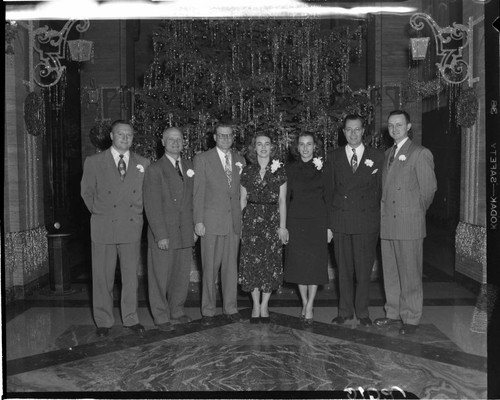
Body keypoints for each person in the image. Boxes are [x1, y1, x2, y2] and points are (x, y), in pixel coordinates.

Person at [81, 120, 150, 337]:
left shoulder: (143, 163)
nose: (125, 138)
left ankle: (130, 318)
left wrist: (137, 213)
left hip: (131, 226)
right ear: (111, 136)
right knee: (102, 276)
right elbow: (87, 192)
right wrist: (101, 213)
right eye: (121, 134)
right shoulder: (94, 162)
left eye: (129, 134)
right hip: (104, 226)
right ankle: (103, 321)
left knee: (130, 277)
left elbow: (147, 194)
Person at [374, 110, 437, 335]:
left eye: (399, 125)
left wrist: (414, 212)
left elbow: (428, 190)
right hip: (388, 225)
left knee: (410, 274)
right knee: (390, 273)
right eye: (391, 125)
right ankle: (393, 314)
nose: (394, 129)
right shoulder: (387, 153)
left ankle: (410, 319)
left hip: (409, 224)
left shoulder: (420, 153)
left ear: (409, 126)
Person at [327, 115, 384, 327]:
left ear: (363, 131)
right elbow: (329, 191)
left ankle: (362, 312)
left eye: (357, 129)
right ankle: (344, 311)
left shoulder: (377, 157)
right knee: (343, 270)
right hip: (341, 221)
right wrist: (329, 225)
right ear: (343, 132)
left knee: (363, 270)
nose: (353, 134)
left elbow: (380, 192)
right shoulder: (333, 157)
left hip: (366, 222)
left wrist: (374, 218)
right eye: (349, 130)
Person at [143, 127, 197, 332]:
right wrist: (160, 235)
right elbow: (152, 205)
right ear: (163, 142)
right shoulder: (155, 169)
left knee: (181, 274)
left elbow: (193, 200)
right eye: (171, 139)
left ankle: (177, 310)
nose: (176, 143)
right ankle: (160, 315)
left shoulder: (190, 166)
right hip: (165, 232)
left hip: (185, 231)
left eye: (179, 139)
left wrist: (193, 227)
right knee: (160, 276)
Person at [193, 122, 246, 325]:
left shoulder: (240, 160)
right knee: (209, 269)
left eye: (229, 135)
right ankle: (208, 310)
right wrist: (198, 221)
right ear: (214, 137)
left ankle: (230, 307)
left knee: (231, 269)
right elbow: (198, 192)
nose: (225, 138)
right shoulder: (202, 159)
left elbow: (241, 194)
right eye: (221, 135)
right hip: (211, 223)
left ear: (233, 137)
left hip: (233, 223)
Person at [284, 132, 333, 325]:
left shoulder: (324, 168)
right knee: (299, 266)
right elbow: (285, 199)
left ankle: (310, 305)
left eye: (309, 144)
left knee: (314, 266)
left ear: (315, 147)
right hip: (296, 222)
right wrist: (284, 226)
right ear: (297, 148)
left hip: (317, 222)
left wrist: (330, 227)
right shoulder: (290, 168)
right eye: (302, 144)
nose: (305, 148)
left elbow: (329, 198)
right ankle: (304, 302)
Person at [239, 134, 288, 324]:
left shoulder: (280, 170)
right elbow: (242, 200)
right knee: (252, 263)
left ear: (272, 147)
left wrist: (282, 227)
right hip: (251, 220)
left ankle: (265, 305)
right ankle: (255, 305)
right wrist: (240, 226)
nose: (263, 148)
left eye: (267, 144)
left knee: (270, 264)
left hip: (272, 219)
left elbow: (282, 200)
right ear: (254, 148)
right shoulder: (247, 171)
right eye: (259, 144)